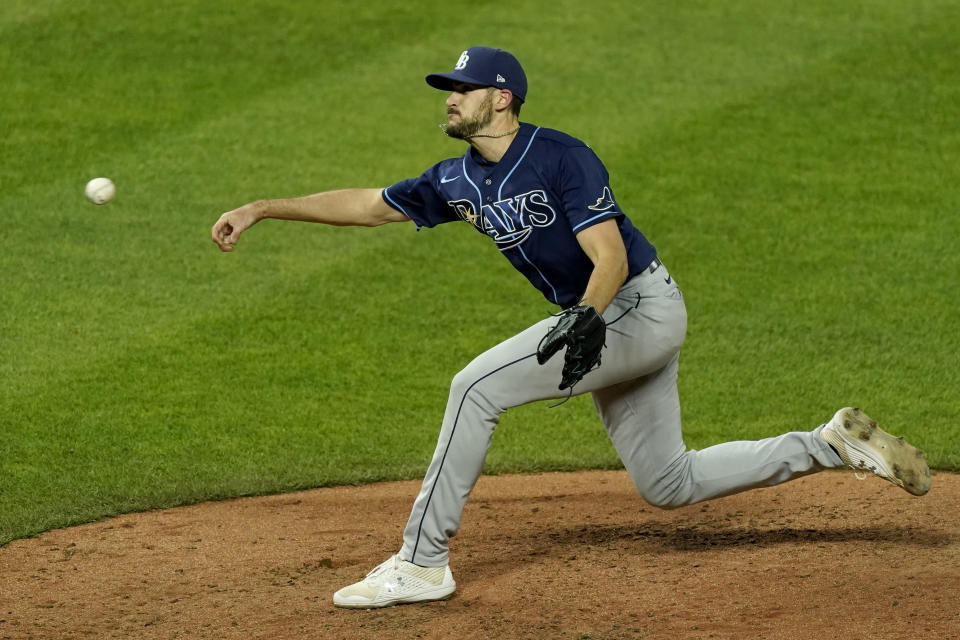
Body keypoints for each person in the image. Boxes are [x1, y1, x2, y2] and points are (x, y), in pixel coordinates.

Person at [211, 46, 932, 609]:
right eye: (447, 90)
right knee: (668, 482)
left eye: (461, 88)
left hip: (636, 310)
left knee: (474, 389)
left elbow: (609, 253)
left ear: (502, 97)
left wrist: (587, 314)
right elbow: (369, 204)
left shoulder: (560, 156)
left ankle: (421, 563)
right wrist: (264, 207)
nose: (450, 98)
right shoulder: (455, 179)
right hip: (605, 319)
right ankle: (827, 444)